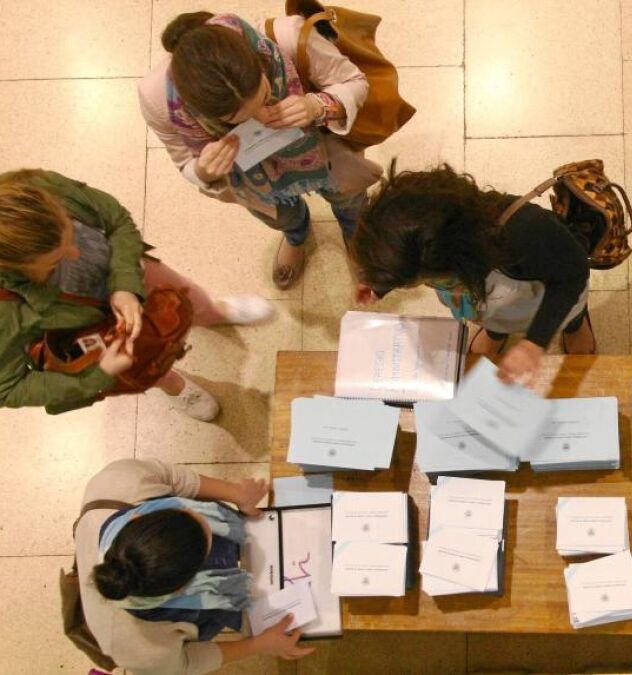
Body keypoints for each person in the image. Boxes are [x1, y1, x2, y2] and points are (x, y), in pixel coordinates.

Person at [0, 170, 272, 419]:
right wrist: (98, 376)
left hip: (127, 266)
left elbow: (115, 220)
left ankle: (212, 312)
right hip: (88, 327)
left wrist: (125, 283)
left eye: (72, 230)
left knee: (183, 296)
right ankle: (172, 384)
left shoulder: (28, 192)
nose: (76, 253)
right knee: (143, 361)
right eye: (55, 261)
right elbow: (8, 389)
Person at [139, 11, 382, 290]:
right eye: (237, 119)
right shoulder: (158, 100)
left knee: (349, 200)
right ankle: (296, 236)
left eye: (266, 96)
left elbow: (356, 82)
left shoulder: (289, 37)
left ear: (260, 63)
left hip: (325, 152)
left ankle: (355, 235)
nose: (264, 118)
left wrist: (317, 106)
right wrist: (204, 171)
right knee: (282, 216)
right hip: (256, 181)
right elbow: (184, 162)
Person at [351, 164, 597, 385]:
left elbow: (573, 275)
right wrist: (380, 282)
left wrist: (536, 341)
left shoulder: (528, 232)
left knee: (568, 311)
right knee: (498, 318)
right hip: (491, 302)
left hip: (539, 289)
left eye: (418, 282)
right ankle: (496, 331)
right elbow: (405, 252)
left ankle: (574, 324)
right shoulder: (432, 240)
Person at [77, 459, 313, 674]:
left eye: (188, 512)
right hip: (194, 609)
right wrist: (259, 645)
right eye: (208, 547)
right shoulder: (135, 646)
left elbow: (173, 477)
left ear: (137, 517)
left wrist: (237, 494)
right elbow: (186, 663)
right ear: (184, 589)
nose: (206, 521)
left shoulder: (117, 481)